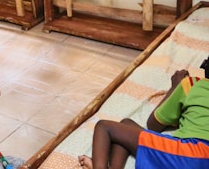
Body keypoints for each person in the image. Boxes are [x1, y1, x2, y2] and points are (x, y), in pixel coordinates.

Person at [78, 55, 209, 169]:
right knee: (126, 124)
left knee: (104, 126)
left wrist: (175, 87)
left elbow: (153, 124)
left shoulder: (192, 84)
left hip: (192, 154)